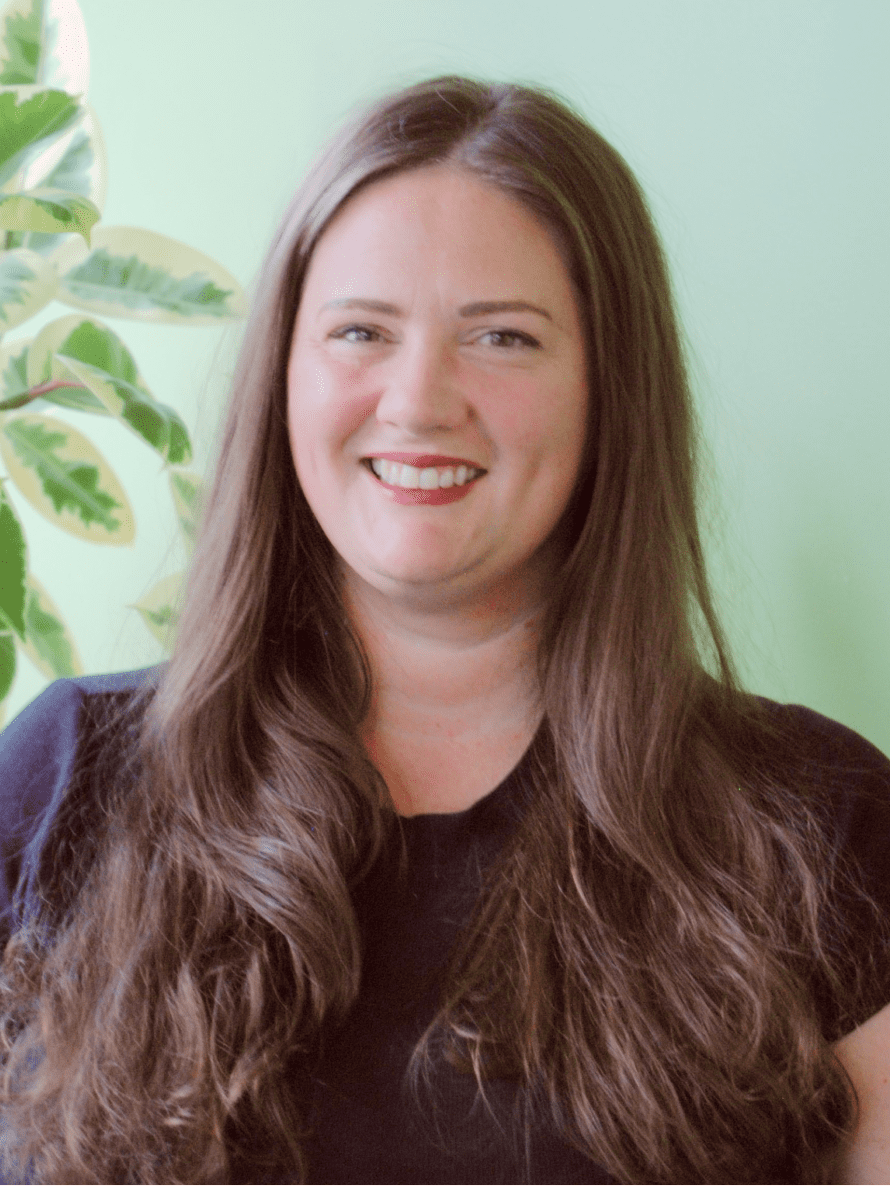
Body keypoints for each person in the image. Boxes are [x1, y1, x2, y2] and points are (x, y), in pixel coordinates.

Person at [0, 74, 888, 1185]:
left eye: (503, 338)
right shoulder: (60, 781)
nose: (418, 399)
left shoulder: (817, 824)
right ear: (284, 376)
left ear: (608, 388)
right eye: (360, 330)